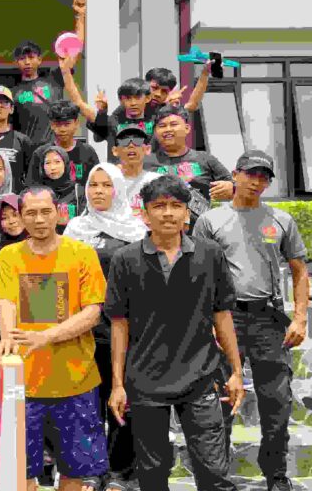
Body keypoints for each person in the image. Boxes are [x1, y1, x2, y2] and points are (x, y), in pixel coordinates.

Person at [105, 175, 245, 491]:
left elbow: (222, 316)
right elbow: (119, 325)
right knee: (152, 475)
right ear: (145, 213)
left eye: (176, 205)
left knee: (214, 474)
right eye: (159, 206)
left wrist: (236, 372)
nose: (168, 213)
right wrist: (117, 384)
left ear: (187, 212)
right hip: (145, 381)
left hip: (201, 377)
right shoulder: (125, 260)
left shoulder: (210, 255)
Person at [193, 151, 310, 491]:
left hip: (268, 320)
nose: (256, 182)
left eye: (264, 177)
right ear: (235, 175)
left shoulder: (281, 220)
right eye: (250, 174)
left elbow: (300, 271)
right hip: (225, 319)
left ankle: (276, 474)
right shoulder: (211, 221)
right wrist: (205, 322)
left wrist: (300, 318)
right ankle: (216, 478)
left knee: (277, 402)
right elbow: (198, 274)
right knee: (222, 401)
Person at [0, 185, 109, 491]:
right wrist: (8, 337)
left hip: (76, 381)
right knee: (21, 472)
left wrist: (46, 337)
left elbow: (93, 312)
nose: (39, 219)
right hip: (24, 384)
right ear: (21, 217)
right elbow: (7, 302)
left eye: (46, 211)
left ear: (59, 212)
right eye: (31, 213)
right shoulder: (9, 256)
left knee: (74, 472)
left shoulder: (82, 254)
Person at [64, 163, 149, 485]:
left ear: (118, 189)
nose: (98, 191)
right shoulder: (75, 229)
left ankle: (120, 471)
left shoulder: (136, 230)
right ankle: (92, 469)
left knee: (123, 400)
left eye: (106, 185)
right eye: (93, 185)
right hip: (82, 330)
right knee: (87, 404)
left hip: (125, 328)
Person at [144, 105, 234, 230]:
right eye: (162, 126)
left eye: (173, 124)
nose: (168, 129)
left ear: (187, 128)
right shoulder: (145, 163)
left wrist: (232, 188)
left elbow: (236, 187)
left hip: (201, 232)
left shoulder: (205, 159)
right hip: (160, 231)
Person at [26, 100, 100, 189]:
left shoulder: (88, 152)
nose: (62, 129)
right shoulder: (40, 154)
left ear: (76, 123)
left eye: (67, 124)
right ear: (52, 125)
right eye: (58, 124)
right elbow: (32, 189)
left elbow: (96, 184)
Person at [11, 40, 64, 145]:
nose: (27, 62)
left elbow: (72, 56)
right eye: (22, 58)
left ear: (39, 60)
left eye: (31, 57)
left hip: (52, 148)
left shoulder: (54, 81)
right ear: (16, 62)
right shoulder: (13, 93)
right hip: (26, 149)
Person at [0, 86, 33, 192]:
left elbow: (30, 176)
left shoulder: (22, 140)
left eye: (5, 102)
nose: (0, 106)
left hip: (13, 197)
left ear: (11, 109)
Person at [30, 145, 83, 233]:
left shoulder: (78, 191)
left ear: (65, 163)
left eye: (57, 162)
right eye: (47, 163)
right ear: (42, 166)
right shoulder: (37, 193)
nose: (52, 167)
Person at [112, 126, 161, 220]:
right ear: (115, 151)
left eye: (138, 141)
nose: (131, 145)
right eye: (124, 141)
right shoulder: (107, 182)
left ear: (147, 149)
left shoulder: (157, 181)